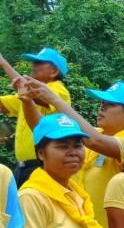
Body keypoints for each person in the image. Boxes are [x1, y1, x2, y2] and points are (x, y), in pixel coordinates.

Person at [18, 78, 124, 228]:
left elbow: (95, 142)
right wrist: (27, 101)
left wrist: (54, 99)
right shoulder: (94, 133)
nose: (102, 108)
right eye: (102, 103)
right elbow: (43, 130)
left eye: (110, 105)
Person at [0, 48, 71, 185]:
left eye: (39, 63)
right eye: (34, 62)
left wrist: (3, 63)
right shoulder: (25, 97)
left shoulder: (58, 89)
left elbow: (32, 93)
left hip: (41, 166)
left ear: (54, 71)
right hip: (22, 167)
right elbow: (3, 104)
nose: (33, 65)